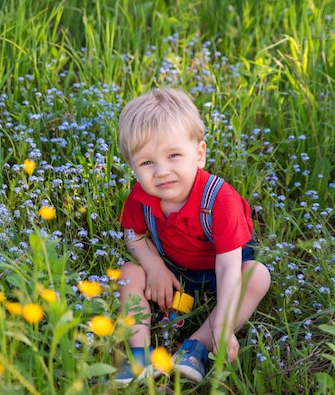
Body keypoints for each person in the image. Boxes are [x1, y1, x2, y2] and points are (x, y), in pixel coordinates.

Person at [115, 87, 271, 384]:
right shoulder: (140, 197)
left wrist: (225, 325)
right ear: (132, 167)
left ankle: (198, 345)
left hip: (225, 269)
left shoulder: (219, 200)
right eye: (147, 162)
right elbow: (133, 236)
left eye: (174, 155)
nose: (162, 172)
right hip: (176, 271)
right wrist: (154, 267)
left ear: (199, 154)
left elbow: (228, 268)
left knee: (258, 275)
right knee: (128, 273)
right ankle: (139, 356)